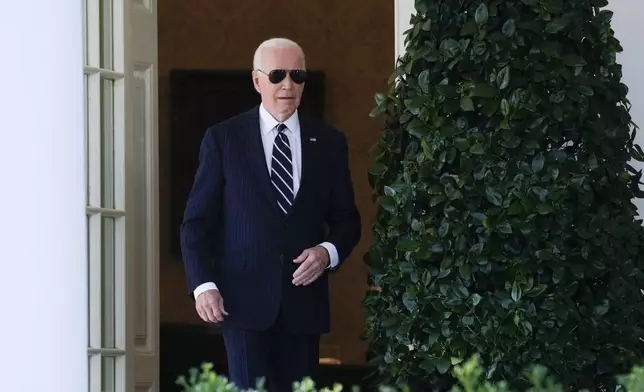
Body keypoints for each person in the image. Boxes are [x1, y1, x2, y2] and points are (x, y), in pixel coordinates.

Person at [180, 37, 362, 392]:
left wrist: (327, 253)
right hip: (242, 305)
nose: (288, 85)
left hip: (303, 306)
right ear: (257, 81)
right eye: (277, 75)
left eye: (298, 75)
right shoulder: (224, 139)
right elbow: (196, 223)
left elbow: (347, 220)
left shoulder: (328, 142)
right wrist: (203, 285)